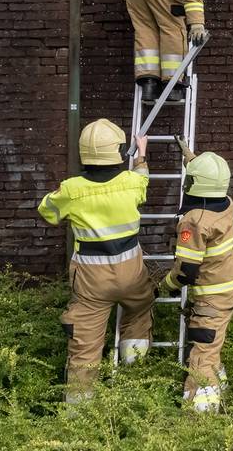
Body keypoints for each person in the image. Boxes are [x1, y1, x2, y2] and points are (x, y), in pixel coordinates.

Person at [37, 119, 156, 403]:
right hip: (132, 275)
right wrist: (141, 155)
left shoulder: (71, 189)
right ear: (117, 151)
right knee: (140, 312)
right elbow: (143, 181)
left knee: (85, 344)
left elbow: (48, 212)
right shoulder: (130, 183)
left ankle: (78, 412)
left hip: (91, 281)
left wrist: (65, 194)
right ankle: (135, 380)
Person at [160, 144, 233, 412]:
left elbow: (187, 271)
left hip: (211, 299)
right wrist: (190, 158)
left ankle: (201, 416)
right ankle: (222, 389)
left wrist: (163, 286)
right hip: (231, 289)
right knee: (213, 343)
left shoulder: (194, 221)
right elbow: (209, 180)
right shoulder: (226, 203)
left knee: (202, 356)